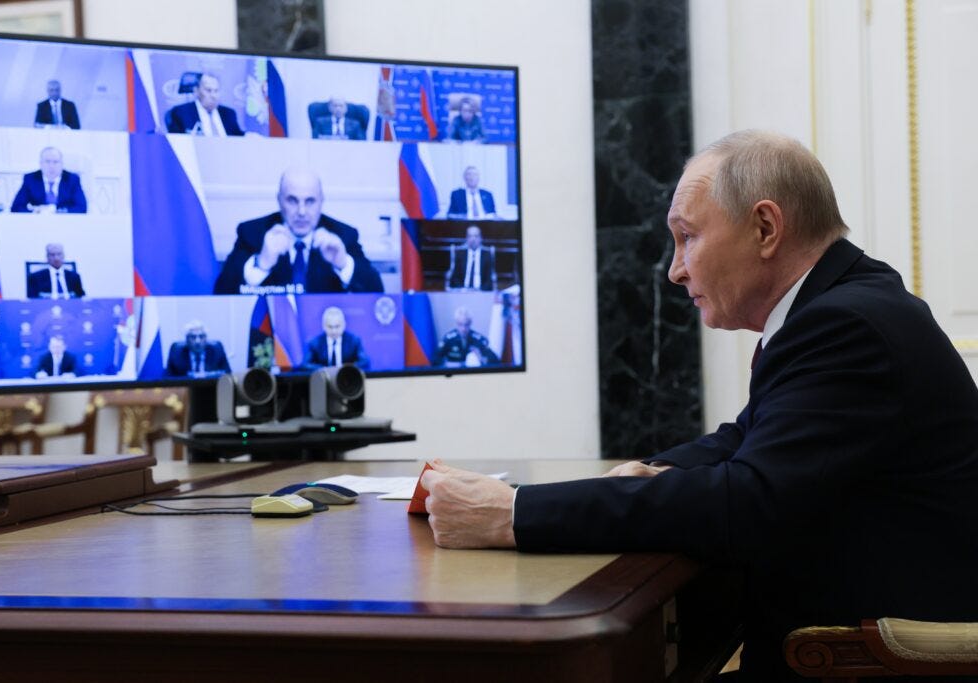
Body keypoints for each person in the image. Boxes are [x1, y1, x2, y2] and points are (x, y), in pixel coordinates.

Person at [419, 130, 978, 681]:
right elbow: (746, 437)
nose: (675, 269)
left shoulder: (845, 325)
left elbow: (749, 501)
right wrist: (654, 469)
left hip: (859, 663)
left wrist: (513, 514)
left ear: (765, 228)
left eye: (687, 237)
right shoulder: (848, 302)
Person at [213, 168, 383, 295]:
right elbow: (221, 293)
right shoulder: (252, 233)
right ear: (279, 200)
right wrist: (261, 265)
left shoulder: (343, 235)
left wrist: (344, 264)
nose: (301, 212)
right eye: (292, 200)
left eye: (310, 201)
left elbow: (377, 293)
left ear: (321, 202)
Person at [10, 147, 87, 214]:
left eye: (55, 162)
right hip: (38, 221)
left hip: (65, 221)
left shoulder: (72, 179)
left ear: (62, 164)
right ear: (40, 163)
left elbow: (82, 207)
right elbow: (16, 207)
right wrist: (35, 212)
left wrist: (57, 212)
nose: (51, 166)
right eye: (47, 161)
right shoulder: (31, 178)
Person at [165, 73, 245, 136]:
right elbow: (175, 141)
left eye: (216, 91)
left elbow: (239, 138)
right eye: (208, 90)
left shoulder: (228, 114)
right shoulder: (181, 113)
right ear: (196, 91)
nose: (213, 96)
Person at [303, 307, 370, 371]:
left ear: (344, 325)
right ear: (323, 326)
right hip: (323, 377)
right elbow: (305, 365)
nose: (334, 331)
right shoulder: (315, 343)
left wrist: (345, 369)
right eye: (330, 327)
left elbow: (364, 362)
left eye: (337, 326)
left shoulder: (354, 341)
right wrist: (326, 370)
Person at [432, 307, 499, 367]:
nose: (463, 329)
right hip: (453, 373)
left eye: (466, 325)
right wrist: (447, 364)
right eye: (460, 324)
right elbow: (434, 360)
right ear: (456, 323)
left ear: (470, 323)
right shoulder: (448, 339)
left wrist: (481, 357)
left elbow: (495, 361)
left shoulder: (479, 339)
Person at [164, 321, 231, 377]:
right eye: (193, 337)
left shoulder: (217, 351)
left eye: (201, 336)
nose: (197, 341)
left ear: (206, 339)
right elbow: (168, 378)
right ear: (186, 339)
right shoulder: (177, 354)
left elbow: (228, 375)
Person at [446, 225, 494, 290]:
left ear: (481, 238)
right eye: (470, 236)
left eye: (476, 236)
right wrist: (462, 290)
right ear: (466, 238)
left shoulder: (487, 255)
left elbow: (488, 279)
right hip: (462, 291)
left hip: (481, 291)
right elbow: (455, 277)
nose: (473, 239)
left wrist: (481, 291)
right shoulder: (460, 254)